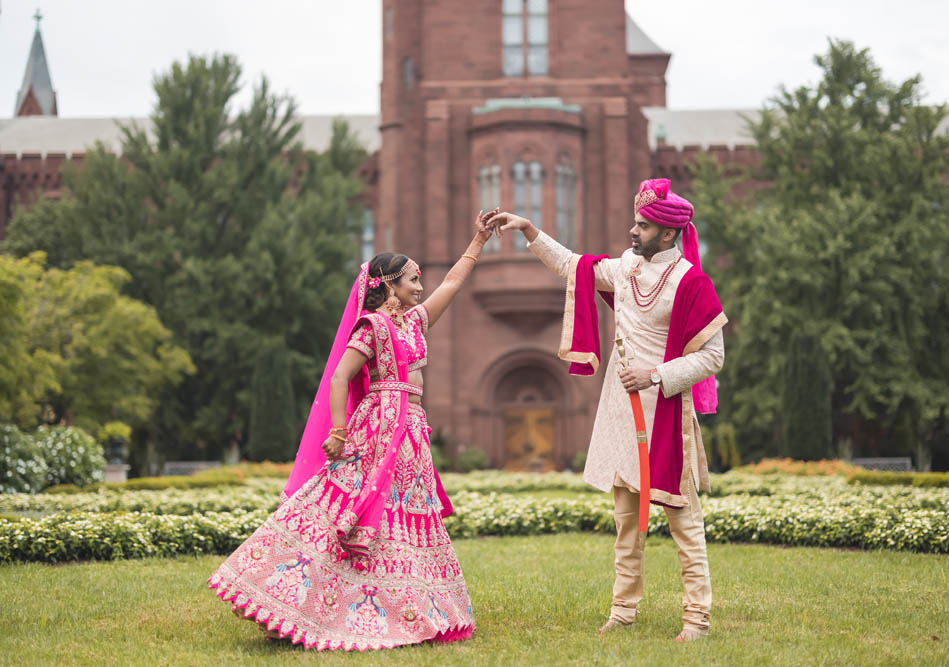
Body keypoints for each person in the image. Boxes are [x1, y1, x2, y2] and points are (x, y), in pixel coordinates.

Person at [208, 208, 499, 650]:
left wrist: (478, 242)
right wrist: (340, 431)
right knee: (343, 509)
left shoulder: (416, 322)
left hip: (412, 430)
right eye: (412, 280)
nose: (421, 288)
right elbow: (341, 377)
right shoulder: (374, 325)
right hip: (379, 427)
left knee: (403, 516)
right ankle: (279, 594)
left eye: (420, 280)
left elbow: (454, 284)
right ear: (387, 285)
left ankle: (409, 608)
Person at [486, 179, 725, 642]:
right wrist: (529, 231)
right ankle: (623, 610)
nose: (633, 232)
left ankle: (696, 619)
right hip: (621, 413)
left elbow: (712, 358)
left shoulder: (692, 283)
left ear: (670, 234)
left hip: (666, 415)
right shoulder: (626, 268)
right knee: (625, 522)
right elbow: (572, 266)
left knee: (684, 522)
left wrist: (655, 374)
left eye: (643, 226)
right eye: (635, 223)